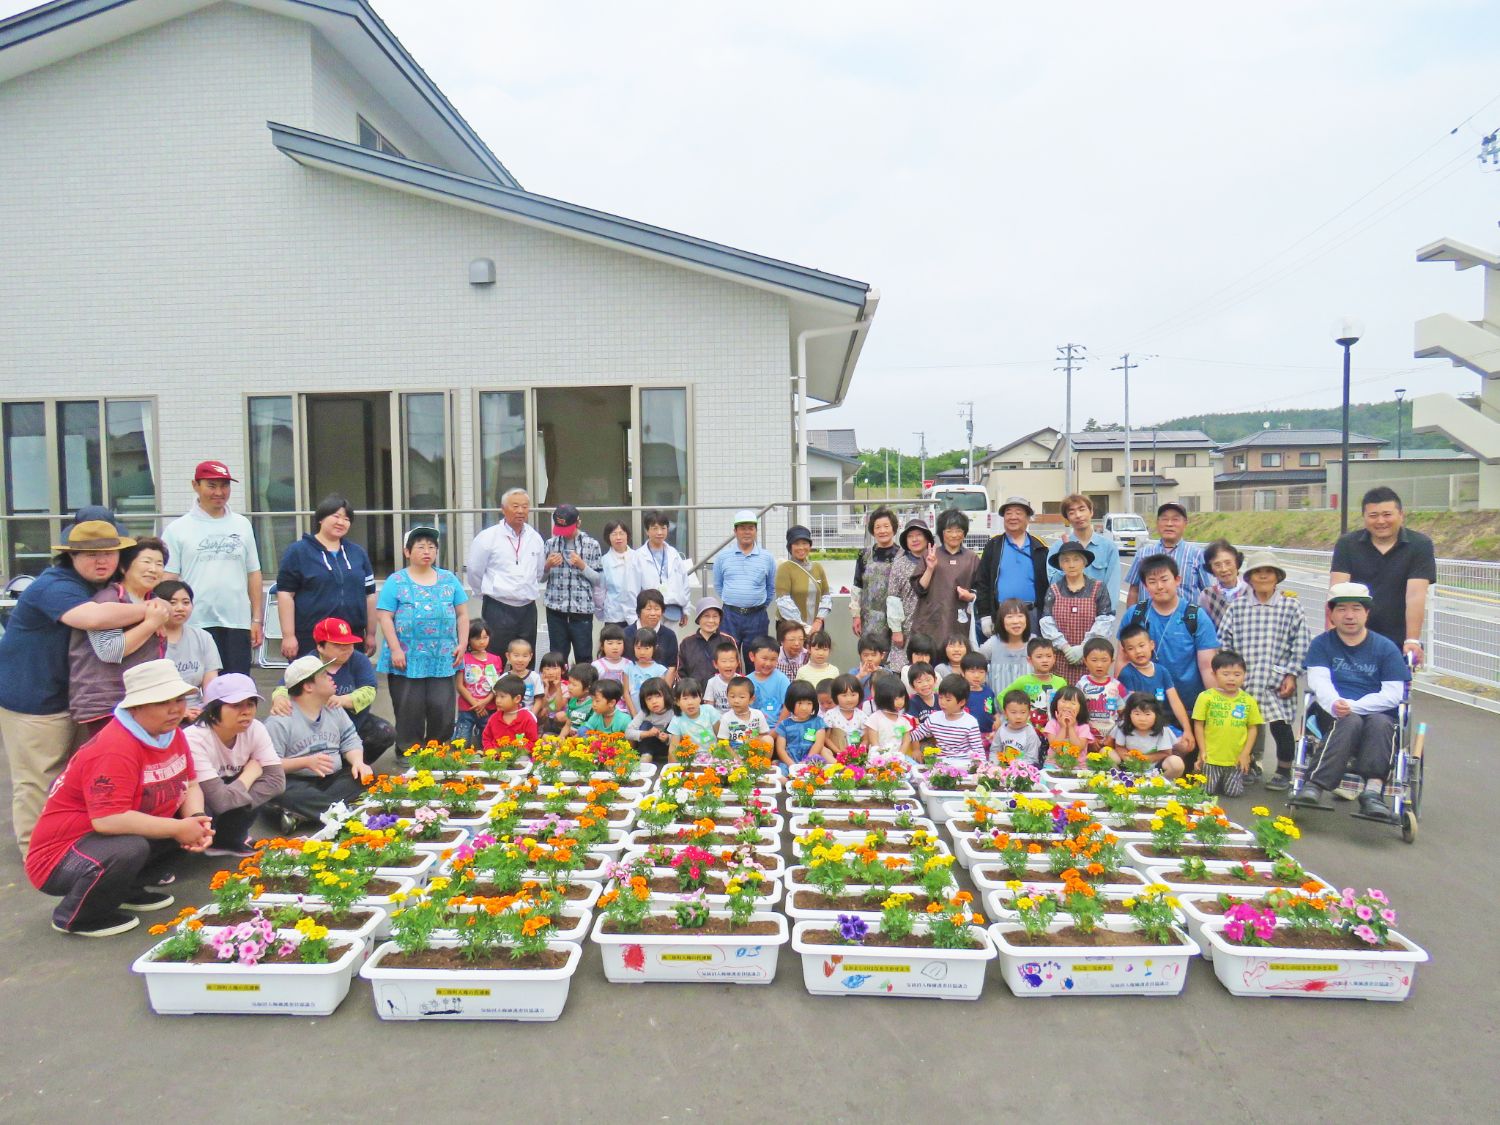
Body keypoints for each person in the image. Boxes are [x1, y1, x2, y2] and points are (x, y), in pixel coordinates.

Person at [0, 510, 152, 852]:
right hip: (32, 697)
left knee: (74, 778)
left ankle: (67, 848)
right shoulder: (55, 584)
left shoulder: (102, 586)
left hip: (73, 697)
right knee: (38, 780)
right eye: (90, 553)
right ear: (71, 554)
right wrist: (153, 611)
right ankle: (36, 855)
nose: (101, 560)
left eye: (109, 552)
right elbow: (93, 618)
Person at [26, 659, 213, 937]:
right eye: (163, 702)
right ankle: (75, 917)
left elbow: (190, 783)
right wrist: (177, 828)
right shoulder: (115, 747)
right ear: (136, 706)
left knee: (202, 817)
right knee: (132, 846)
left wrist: (196, 819)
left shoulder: (171, 733)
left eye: (179, 699)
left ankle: (126, 890)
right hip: (59, 857)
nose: (175, 709)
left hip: (104, 839)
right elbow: (107, 820)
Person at [1290, 583, 1410, 819]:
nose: (1349, 615)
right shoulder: (1321, 644)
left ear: (1367, 613)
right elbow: (1319, 681)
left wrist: (1354, 706)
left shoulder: (1386, 648)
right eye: (1342, 609)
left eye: (1356, 608)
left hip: (1377, 712)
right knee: (1350, 721)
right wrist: (1337, 703)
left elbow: (1393, 693)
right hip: (1330, 712)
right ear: (1331, 613)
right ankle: (1314, 785)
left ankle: (1373, 792)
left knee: (1380, 723)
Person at [1218, 551, 1311, 792]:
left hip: (1276, 679)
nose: (1263, 576)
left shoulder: (1291, 607)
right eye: (1257, 572)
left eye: (1268, 572)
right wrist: (1230, 673)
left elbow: (1300, 643)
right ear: (1248, 578)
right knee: (1245, 724)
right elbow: (1225, 641)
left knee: (1280, 725)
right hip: (1243, 678)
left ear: (1277, 576)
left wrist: (1291, 674)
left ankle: (1283, 769)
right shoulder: (1237, 607)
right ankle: (1248, 765)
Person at [160, 461, 263, 675]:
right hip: (195, 622)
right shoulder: (177, 529)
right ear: (195, 485)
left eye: (224, 486)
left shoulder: (242, 525)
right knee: (199, 685)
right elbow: (167, 580)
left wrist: (256, 619)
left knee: (237, 686)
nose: (219, 492)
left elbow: (253, 573)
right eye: (211, 485)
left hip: (237, 621)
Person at [69, 536, 173, 741]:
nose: (153, 569)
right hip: (107, 704)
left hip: (140, 700)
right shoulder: (109, 599)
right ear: (124, 568)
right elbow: (109, 650)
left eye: (159, 564)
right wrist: (151, 623)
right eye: (146, 562)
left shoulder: (154, 602)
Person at [376, 526, 469, 749]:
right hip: (407, 657)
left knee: (442, 707)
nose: (427, 551)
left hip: (443, 656)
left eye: (431, 547)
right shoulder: (396, 581)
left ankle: (436, 751)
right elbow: (385, 617)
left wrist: (463, 643)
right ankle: (409, 752)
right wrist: (396, 648)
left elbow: (463, 614)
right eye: (420, 547)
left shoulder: (449, 579)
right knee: (409, 707)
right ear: (407, 552)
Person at [270, 616, 395, 768]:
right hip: (318, 729)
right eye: (339, 645)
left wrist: (343, 700)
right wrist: (279, 698)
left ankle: (352, 765)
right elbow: (285, 684)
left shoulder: (359, 660)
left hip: (354, 721)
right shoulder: (308, 663)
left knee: (385, 732)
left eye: (350, 644)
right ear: (320, 647)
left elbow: (369, 690)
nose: (347, 649)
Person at [263, 655, 372, 829]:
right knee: (283, 792)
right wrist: (305, 762)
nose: (331, 677)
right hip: (297, 780)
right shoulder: (279, 720)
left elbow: (349, 739)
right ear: (308, 686)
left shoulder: (333, 707)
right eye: (323, 675)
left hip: (331, 779)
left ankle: (304, 815)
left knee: (363, 777)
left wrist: (358, 762)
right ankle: (341, 813)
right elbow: (268, 765)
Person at [1330, 487, 1436, 663]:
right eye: (1373, 515)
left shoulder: (1420, 545)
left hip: (1397, 639)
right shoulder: (1347, 544)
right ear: (1364, 517)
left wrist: (1412, 640)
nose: (1380, 521)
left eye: (1387, 514)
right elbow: (1336, 593)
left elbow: (1416, 595)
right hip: (1353, 636)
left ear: (1401, 515)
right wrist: (1332, 637)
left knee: (1395, 689)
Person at [183, 674, 285, 857]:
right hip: (203, 807)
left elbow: (276, 781)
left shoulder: (256, 729)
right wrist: (249, 774)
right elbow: (218, 801)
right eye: (236, 705)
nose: (246, 711)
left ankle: (230, 840)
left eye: (251, 704)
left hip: (225, 798)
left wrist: (233, 800)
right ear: (213, 710)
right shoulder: (194, 737)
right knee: (219, 798)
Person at [276, 494, 376, 661]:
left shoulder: (357, 553)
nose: (341, 522)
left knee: (350, 685)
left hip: (351, 636)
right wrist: (288, 635)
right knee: (311, 685)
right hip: (311, 638)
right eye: (335, 516)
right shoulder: (298, 551)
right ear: (321, 519)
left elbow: (370, 595)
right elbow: (285, 594)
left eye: (346, 518)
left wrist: (371, 634)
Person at [1118, 554, 1220, 716]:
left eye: (1165, 580)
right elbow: (1123, 661)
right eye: (1152, 582)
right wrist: (1121, 706)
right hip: (1143, 709)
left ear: (1177, 580)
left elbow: (1207, 667)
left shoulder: (1195, 617)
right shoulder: (1135, 615)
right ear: (1145, 585)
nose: (1159, 586)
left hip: (1189, 707)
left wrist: (1217, 707)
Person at [467, 488, 547, 657]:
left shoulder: (535, 537)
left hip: (527, 608)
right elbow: (474, 571)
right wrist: (485, 593)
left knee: (525, 656)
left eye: (525, 506)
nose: (520, 511)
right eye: (515, 506)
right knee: (495, 656)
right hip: (498, 606)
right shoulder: (488, 537)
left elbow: (538, 572)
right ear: (503, 509)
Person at [1038, 540, 1116, 686]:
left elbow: (1105, 620)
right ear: (1060, 565)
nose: (1071, 564)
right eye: (1066, 560)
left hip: (1090, 659)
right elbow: (1046, 622)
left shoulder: (1098, 588)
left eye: (1076, 559)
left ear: (1084, 563)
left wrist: (1084, 647)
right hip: (1061, 659)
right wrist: (1065, 647)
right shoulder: (1054, 590)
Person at [975, 496, 1049, 640]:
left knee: (1032, 657)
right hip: (1001, 614)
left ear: (1027, 518)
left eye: (1018, 513)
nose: (1013, 517)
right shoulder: (994, 545)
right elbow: (982, 582)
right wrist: (985, 615)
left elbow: (1047, 584)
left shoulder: (1040, 546)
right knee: (1002, 658)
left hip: (1032, 614)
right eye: (1008, 513)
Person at [1191, 650, 1263, 798]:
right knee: (1205, 792)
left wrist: (1245, 754)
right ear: (1214, 674)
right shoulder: (1206, 697)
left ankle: (1226, 779)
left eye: (1237, 674)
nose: (1231, 679)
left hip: (1234, 759)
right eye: (1225, 674)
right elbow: (1198, 725)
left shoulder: (1248, 700)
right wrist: (1202, 751)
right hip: (1211, 757)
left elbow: (1253, 728)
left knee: (1234, 792)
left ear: (1244, 675)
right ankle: (1200, 775)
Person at [1116, 623, 1194, 754]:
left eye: (1142, 646)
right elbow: (1131, 708)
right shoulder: (1127, 674)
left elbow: (1175, 701)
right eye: (1131, 648)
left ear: (1152, 645)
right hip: (1137, 725)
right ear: (1125, 652)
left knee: (1186, 745)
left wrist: (1187, 729)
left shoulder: (1162, 671)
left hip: (1160, 724)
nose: (1138, 651)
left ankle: (1165, 767)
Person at [542, 503, 603, 666]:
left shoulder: (592, 544)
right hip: (555, 608)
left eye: (567, 529)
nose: (564, 534)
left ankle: (583, 689)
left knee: (583, 656)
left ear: (578, 523)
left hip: (581, 609)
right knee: (557, 656)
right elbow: (540, 578)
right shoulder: (550, 544)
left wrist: (582, 566)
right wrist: (547, 565)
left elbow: (599, 579)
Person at [909, 509, 980, 643]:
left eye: (958, 530)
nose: (954, 535)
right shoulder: (930, 555)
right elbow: (919, 588)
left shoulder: (972, 558)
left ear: (964, 533)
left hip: (960, 621)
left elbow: (981, 590)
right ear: (942, 533)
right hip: (932, 621)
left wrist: (970, 596)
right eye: (949, 531)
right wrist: (930, 568)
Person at [156, 580, 222, 721]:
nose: (180, 608)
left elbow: (211, 683)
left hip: (197, 709)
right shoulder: (148, 639)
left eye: (186, 602)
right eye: (173, 603)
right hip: (159, 710)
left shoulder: (203, 637)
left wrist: (207, 710)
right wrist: (180, 712)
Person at [1124, 502, 1209, 609]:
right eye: (1164, 519)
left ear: (1185, 523)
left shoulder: (1197, 555)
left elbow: (1207, 593)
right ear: (1157, 523)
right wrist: (1132, 622)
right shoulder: (1143, 554)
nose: (1169, 524)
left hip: (1185, 622)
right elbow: (1134, 590)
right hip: (1148, 621)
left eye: (1175, 519)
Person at [713, 510, 776, 652]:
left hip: (757, 616)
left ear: (756, 531)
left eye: (750, 528)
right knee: (728, 656)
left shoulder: (767, 557)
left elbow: (770, 587)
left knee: (755, 659)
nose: (746, 532)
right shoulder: (723, 557)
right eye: (742, 528)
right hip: (730, 615)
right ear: (735, 531)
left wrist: (757, 605)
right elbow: (718, 585)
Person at [1051, 494, 1122, 607]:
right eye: (1072, 512)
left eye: (1082, 509)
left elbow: (1113, 585)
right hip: (1066, 614)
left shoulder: (1108, 547)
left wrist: (1107, 615)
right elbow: (1053, 586)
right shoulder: (1057, 548)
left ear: (1091, 512)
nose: (1078, 515)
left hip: (1100, 616)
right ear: (1067, 518)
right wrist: (1067, 553)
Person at [626, 510, 694, 626]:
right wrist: (632, 618)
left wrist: (686, 609)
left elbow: (684, 583)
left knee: (669, 642)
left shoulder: (674, 554)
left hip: (672, 611)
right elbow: (631, 589)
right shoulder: (638, 557)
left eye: (663, 528)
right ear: (647, 531)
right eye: (655, 528)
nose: (659, 532)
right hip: (648, 612)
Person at [884, 518, 933, 673]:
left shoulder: (936, 560)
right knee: (903, 670)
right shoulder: (899, 564)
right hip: (907, 626)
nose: (915, 539)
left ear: (927, 538)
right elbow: (893, 597)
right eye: (910, 536)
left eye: (919, 535)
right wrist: (896, 629)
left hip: (932, 624)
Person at [850, 506, 901, 642]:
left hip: (897, 619)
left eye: (886, 526)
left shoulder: (902, 555)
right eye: (878, 527)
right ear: (873, 530)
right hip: (869, 618)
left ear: (893, 528)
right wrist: (856, 616)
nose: (882, 530)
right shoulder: (864, 555)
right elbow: (857, 586)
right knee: (871, 657)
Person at [912, 673, 986, 765]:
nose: (942, 702)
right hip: (941, 765)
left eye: (948, 700)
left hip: (964, 765)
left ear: (962, 702)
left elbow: (978, 750)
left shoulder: (970, 722)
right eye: (940, 697)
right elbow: (915, 735)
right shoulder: (934, 718)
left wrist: (982, 769)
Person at [1108, 692, 1184, 778]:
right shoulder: (1123, 726)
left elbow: (1166, 753)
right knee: (1107, 753)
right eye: (1137, 714)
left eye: (1147, 714)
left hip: (1154, 768)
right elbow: (1119, 747)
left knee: (1176, 763)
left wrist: (1144, 759)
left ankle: (1161, 785)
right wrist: (1129, 760)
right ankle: (1119, 779)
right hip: (1128, 766)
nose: (1142, 719)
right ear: (1129, 714)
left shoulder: (1163, 730)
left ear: (1156, 714)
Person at [1004, 638, 1068, 741]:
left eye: (1048, 656)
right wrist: (1013, 716)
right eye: (1039, 657)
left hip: (1054, 733)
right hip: (1028, 732)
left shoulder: (1061, 682)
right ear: (1029, 660)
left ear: (1054, 658)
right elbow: (1003, 696)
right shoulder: (1023, 681)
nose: (1045, 660)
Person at [775, 525, 832, 635]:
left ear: (810, 546)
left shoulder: (817, 567)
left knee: (815, 652)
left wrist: (818, 620)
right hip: (791, 628)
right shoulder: (785, 568)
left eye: (805, 543)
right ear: (790, 547)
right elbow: (783, 601)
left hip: (816, 627)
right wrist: (804, 627)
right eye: (796, 544)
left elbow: (826, 596)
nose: (801, 548)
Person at [454, 621, 504, 746]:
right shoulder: (464, 658)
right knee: (461, 743)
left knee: (488, 743)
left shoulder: (495, 659)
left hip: (489, 708)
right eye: (477, 638)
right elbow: (459, 685)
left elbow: (496, 686)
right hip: (467, 708)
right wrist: (476, 704)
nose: (482, 642)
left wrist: (485, 702)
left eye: (485, 637)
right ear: (468, 639)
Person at [1078, 638, 1128, 743]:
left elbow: (1124, 713)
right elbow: (1077, 713)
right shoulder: (1081, 685)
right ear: (1085, 661)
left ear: (1111, 662)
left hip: (1111, 739)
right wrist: (1088, 736)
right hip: (1086, 738)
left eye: (1104, 660)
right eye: (1094, 660)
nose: (1099, 665)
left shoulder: (1117, 686)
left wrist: (1114, 737)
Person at [980, 598, 1033, 698]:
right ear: (1001, 621)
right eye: (1010, 617)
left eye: (1020, 616)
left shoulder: (1034, 644)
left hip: (1030, 710)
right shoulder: (991, 644)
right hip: (998, 711)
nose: (1015, 621)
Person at [773, 682, 830, 769]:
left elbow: (818, 744)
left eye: (809, 703)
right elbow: (781, 749)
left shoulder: (818, 722)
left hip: (811, 760)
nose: (804, 708)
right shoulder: (784, 725)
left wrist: (806, 762)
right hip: (789, 761)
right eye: (800, 703)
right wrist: (792, 765)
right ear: (791, 703)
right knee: (782, 776)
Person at [676, 597, 731, 684]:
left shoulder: (728, 640)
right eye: (706, 616)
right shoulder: (687, 643)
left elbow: (736, 670)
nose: (711, 620)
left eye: (715, 616)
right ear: (698, 618)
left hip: (722, 695)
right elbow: (680, 673)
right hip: (694, 695)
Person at [626, 589, 679, 677]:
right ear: (639, 611)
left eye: (657, 609)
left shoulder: (669, 635)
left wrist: (664, 689)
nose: (653, 613)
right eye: (648, 609)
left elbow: (671, 666)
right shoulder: (626, 634)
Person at [1199, 539, 1249, 630]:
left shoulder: (1252, 590)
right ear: (1211, 569)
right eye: (1217, 565)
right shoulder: (1206, 595)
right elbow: (1204, 628)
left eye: (1228, 563)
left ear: (1237, 564)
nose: (1224, 569)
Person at [481, 675, 540, 749]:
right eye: (497, 696)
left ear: (517, 699)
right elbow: (486, 739)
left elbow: (533, 742)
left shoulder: (527, 719)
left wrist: (519, 750)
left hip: (520, 758)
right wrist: (491, 751)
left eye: (502, 696)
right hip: (496, 758)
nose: (497, 700)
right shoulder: (494, 718)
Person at [861, 674, 913, 757]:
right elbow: (874, 743)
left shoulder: (904, 721)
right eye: (896, 699)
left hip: (898, 759)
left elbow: (906, 741)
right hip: (878, 759)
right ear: (884, 697)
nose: (900, 702)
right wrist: (884, 758)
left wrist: (899, 755)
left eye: (902, 698)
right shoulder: (874, 719)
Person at [668, 679, 720, 760]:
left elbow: (721, 737)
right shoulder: (677, 720)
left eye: (694, 697)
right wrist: (672, 770)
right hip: (690, 759)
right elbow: (673, 748)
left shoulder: (709, 711)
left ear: (700, 697)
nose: (690, 702)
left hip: (714, 756)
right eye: (685, 698)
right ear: (677, 701)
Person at [1043, 685, 1096, 766]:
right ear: (1055, 704)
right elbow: (1056, 749)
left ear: (1081, 708)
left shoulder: (1084, 727)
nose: (1067, 706)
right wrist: (1063, 727)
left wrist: (1070, 727)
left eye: (1073, 703)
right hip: (1054, 764)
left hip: (1078, 765)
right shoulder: (1051, 724)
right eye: (1063, 701)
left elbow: (1078, 748)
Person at [598, 521, 635, 628]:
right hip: (614, 615)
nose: (618, 537)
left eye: (622, 533)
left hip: (636, 615)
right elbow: (600, 591)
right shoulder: (604, 561)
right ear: (608, 537)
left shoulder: (637, 557)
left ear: (627, 535)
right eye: (614, 534)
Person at [745, 635, 791, 722]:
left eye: (773, 659)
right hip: (751, 728)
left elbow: (787, 707)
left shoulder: (781, 679)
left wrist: (776, 730)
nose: (768, 663)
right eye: (764, 658)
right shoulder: (746, 681)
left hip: (775, 728)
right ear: (752, 656)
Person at [626, 677, 675, 757]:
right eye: (649, 699)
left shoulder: (673, 711)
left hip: (668, 748)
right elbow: (628, 732)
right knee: (645, 724)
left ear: (666, 695)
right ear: (644, 702)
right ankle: (646, 758)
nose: (654, 701)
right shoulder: (645, 713)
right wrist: (647, 734)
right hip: (647, 747)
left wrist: (668, 738)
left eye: (658, 696)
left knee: (673, 727)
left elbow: (683, 735)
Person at [716, 676, 770, 748]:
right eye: (732, 696)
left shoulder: (758, 714)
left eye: (741, 697)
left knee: (769, 740)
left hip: (754, 753)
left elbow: (764, 734)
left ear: (751, 699)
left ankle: (764, 760)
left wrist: (752, 741)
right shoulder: (726, 718)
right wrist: (737, 759)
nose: (736, 701)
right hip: (734, 756)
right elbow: (722, 741)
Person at [624, 628, 669, 710]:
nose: (642, 652)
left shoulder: (660, 670)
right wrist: (634, 715)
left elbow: (661, 695)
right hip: (632, 713)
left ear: (655, 648)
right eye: (638, 648)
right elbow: (626, 693)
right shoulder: (628, 667)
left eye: (646, 648)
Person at [820, 674, 868, 752]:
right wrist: (839, 752)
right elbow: (826, 738)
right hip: (836, 754)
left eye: (853, 695)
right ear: (835, 696)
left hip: (857, 755)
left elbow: (865, 739)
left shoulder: (862, 715)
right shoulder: (831, 715)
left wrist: (859, 751)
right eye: (844, 695)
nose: (849, 699)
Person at [993, 689, 1042, 764]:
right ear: (1005, 713)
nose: (1018, 716)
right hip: (1003, 770)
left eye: (1023, 712)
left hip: (1024, 771)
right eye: (1013, 712)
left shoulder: (1030, 733)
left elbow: (1032, 759)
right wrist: (995, 766)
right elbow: (994, 751)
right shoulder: (1002, 730)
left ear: (1029, 713)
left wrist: (1016, 768)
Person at [959, 652, 998, 745]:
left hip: (988, 735)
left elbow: (990, 710)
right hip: (966, 737)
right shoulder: (961, 692)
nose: (977, 676)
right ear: (962, 672)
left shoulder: (988, 692)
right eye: (972, 671)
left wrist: (997, 719)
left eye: (981, 672)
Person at [795, 630, 839, 700]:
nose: (821, 653)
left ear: (829, 650)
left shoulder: (834, 671)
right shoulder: (802, 671)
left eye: (825, 649)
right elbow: (796, 694)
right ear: (809, 649)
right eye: (817, 649)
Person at [704, 639, 742, 711]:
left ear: (738, 662)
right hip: (719, 720)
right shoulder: (712, 682)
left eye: (731, 661)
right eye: (724, 661)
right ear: (715, 664)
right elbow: (709, 708)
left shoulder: (742, 681)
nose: (728, 665)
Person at [563, 664, 599, 735]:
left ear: (587, 688)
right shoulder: (573, 700)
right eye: (569, 683)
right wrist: (561, 737)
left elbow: (592, 728)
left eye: (574, 685)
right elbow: (567, 724)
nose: (569, 687)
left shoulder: (593, 704)